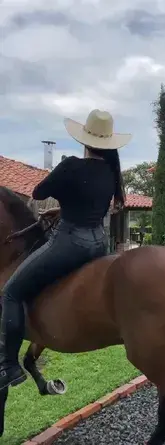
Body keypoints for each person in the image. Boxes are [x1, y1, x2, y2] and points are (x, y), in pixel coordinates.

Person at [0, 109, 132, 390]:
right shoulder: (111, 172)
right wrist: (65, 207)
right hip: (99, 243)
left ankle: (9, 365)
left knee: (11, 292)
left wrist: (61, 198)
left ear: (85, 140)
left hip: (71, 242)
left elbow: (37, 193)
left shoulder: (71, 166)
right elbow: (91, 206)